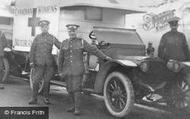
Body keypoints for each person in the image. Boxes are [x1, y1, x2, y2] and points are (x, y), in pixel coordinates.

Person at [58, 24, 111, 115]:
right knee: (69, 89)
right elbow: (60, 58)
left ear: (76, 32)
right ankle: (73, 106)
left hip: (77, 70)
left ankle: (77, 109)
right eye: (70, 31)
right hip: (67, 70)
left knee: (76, 89)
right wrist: (60, 71)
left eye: (73, 31)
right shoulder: (64, 43)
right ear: (68, 32)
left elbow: (93, 49)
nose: (72, 33)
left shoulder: (81, 42)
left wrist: (105, 57)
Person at [29, 20, 61, 105]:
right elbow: (32, 50)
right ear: (41, 28)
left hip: (49, 64)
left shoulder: (52, 38)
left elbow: (60, 45)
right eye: (43, 27)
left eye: (46, 27)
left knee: (47, 81)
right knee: (36, 81)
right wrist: (31, 61)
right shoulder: (37, 38)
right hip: (39, 64)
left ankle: (46, 98)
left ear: (48, 28)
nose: (44, 28)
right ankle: (34, 98)